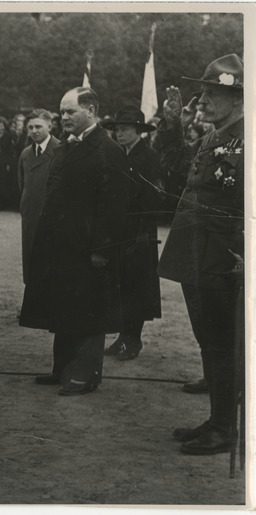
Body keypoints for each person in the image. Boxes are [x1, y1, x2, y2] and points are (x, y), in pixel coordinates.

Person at [157, 54, 244, 455]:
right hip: (197, 252)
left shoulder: (248, 137)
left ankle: (226, 428)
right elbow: (175, 167)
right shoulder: (214, 137)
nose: (202, 101)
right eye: (203, 92)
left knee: (225, 343)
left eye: (213, 94)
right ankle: (217, 418)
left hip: (224, 258)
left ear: (238, 97)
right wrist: (172, 124)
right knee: (209, 340)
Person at [19, 87, 129, 396]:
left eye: (71, 112)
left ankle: (85, 374)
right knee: (64, 307)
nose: (64, 117)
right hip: (61, 247)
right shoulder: (66, 147)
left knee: (89, 312)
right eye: (62, 112)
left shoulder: (107, 149)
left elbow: (114, 204)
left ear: (91, 110)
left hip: (88, 249)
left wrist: (102, 248)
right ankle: (63, 369)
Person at [102, 106, 162, 360]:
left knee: (137, 288)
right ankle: (122, 338)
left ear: (138, 130)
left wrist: (142, 232)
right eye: (116, 130)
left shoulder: (148, 156)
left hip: (139, 232)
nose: (119, 134)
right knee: (121, 286)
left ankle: (133, 340)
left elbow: (153, 198)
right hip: (120, 230)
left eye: (124, 129)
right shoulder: (118, 155)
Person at [17, 109, 60, 285]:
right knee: (30, 259)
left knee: (51, 261)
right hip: (30, 215)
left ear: (50, 126)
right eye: (31, 127)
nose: (34, 131)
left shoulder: (60, 151)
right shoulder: (25, 154)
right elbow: (22, 185)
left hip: (52, 216)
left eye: (38, 126)